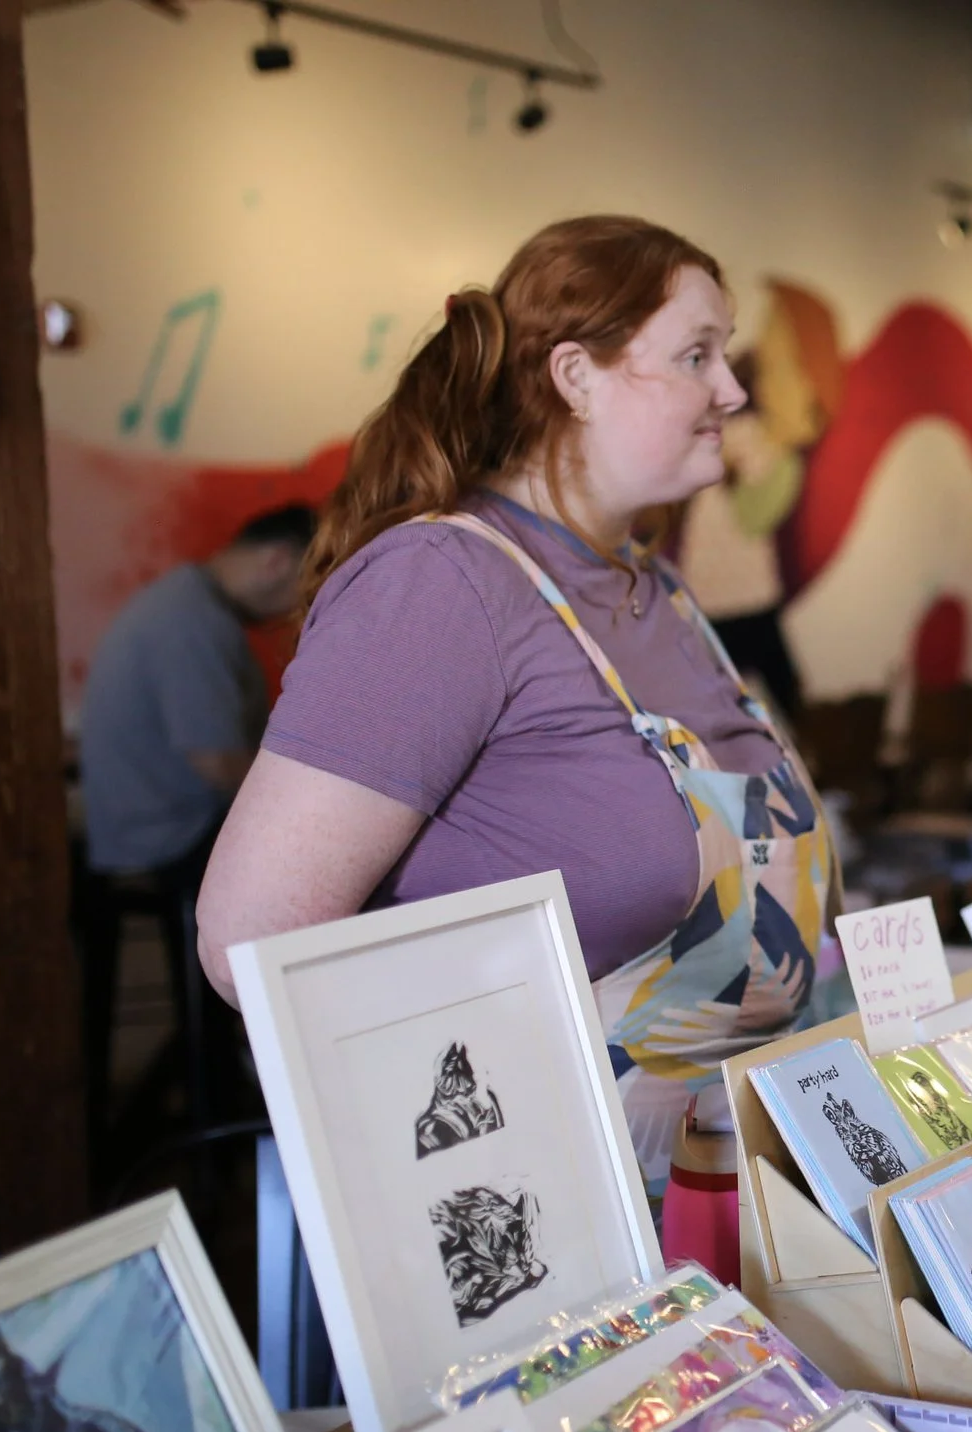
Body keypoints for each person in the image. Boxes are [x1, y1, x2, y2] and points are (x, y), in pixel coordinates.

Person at [196, 216, 840, 1272]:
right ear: (575, 376)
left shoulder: (661, 593)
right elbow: (251, 943)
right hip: (549, 1232)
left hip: (728, 1209)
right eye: (696, 355)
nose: (732, 390)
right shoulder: (442, 584)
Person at [79, 503, 309, 881]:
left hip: (146, 822)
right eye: (307, 587)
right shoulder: (194, 620)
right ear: (277, 561)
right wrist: (301, 804)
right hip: (170, 834)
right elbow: (217, 761)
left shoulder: (185, 599)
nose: (296, 610)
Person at [657, 350, 806, 715]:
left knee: (711, 704)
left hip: (710, 594)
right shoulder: (762, 444)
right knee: (786, 695)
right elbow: (755, 513)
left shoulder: (706, 439)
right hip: (748, 592)